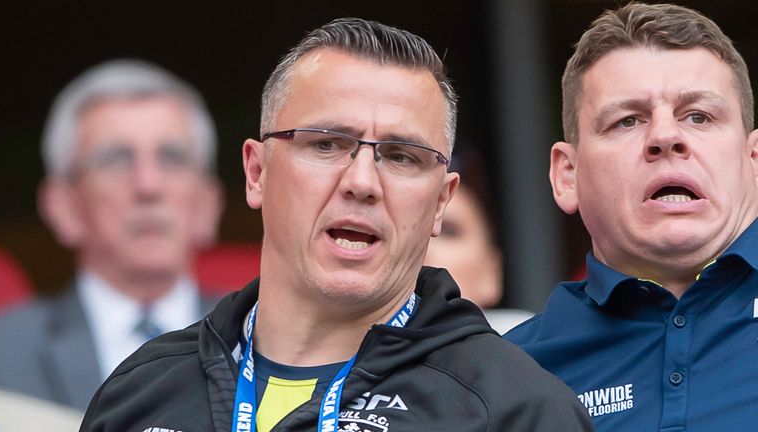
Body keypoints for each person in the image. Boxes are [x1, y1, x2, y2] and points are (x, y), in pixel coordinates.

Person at [80, 18, 593, 432]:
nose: (362, 181)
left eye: (402, 156)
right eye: (326, 144)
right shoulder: (140, 390)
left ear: (440, 202)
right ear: (256, 173)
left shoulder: (516, 410)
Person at [504, 3, 758, 431]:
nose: (665, 136)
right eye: (627, 121)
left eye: (698, 116)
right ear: (567, 176)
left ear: (754, 161)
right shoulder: (504, 376)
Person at [0, 59, 223, 411]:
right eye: (116, 160)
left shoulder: (270, 343)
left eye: (172, 158)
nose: (148, 185)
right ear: (62, 207)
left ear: (208, 203)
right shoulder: (0, 354)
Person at [424, 143, 532, 332]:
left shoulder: (532, 354)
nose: (420, 246)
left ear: (492, 272)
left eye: (448, 231)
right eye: (411, 229)